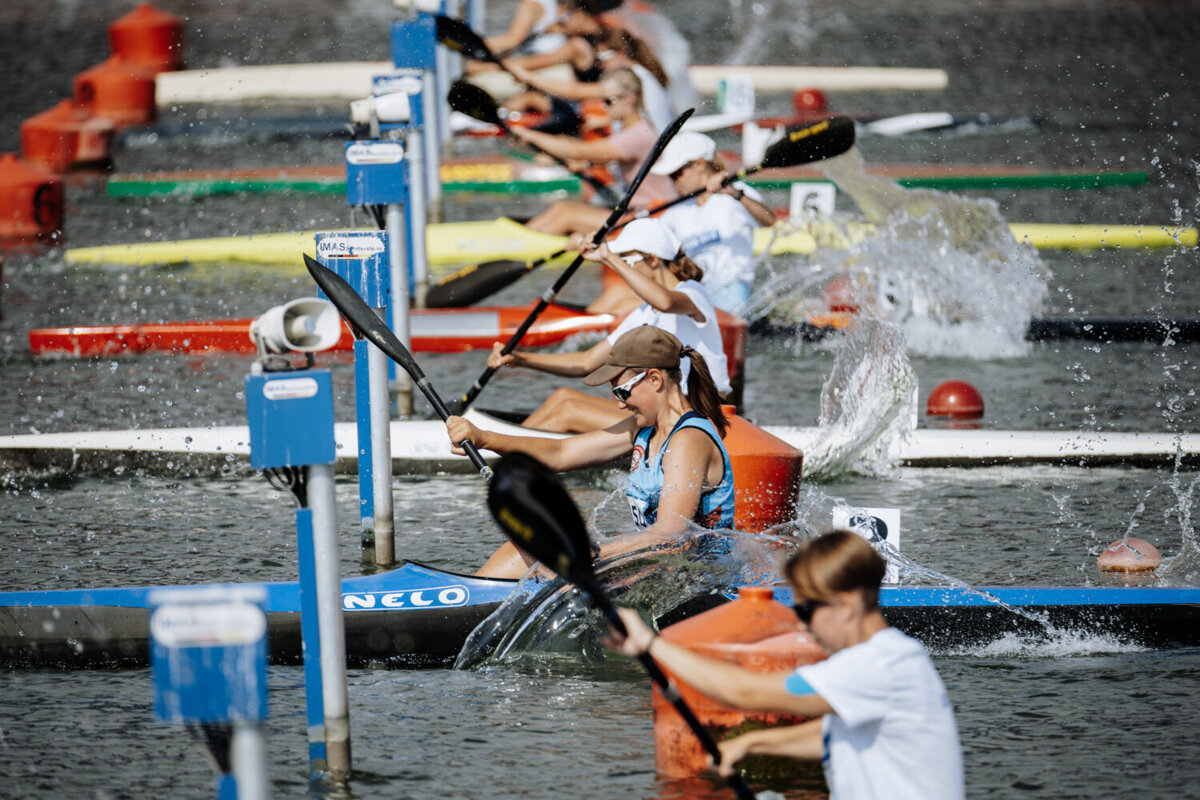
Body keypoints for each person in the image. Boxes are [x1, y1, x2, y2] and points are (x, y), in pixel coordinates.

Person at [606, 530, 965, 800]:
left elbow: (743, 691)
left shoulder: (875, 666)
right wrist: (754, 743)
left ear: (846, 604)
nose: (802, 624)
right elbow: (834, 735)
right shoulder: (902, 654)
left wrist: (652, 644)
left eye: (807, 610)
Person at [447, 325, 735, 579]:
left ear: (655, 379)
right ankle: (464, 596)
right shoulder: (642, 428)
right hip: (658, 565)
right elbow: (561, 452)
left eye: (622, 391)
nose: (619, 404)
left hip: (695, 579)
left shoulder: (687, 439)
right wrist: (484, 438)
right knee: (525, 547)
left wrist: (594, 553)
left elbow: (671, 534)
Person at [487, 218, 730, 433]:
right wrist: (522, 360)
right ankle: (510, 449)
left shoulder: (693, 293)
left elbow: (665, 301)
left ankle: (507, 456)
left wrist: (609, 257)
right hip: (665, 410)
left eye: (627, 260)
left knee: (568, 410)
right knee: (562, 397)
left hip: (698, 415)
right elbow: (586, 362)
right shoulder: (644, 312)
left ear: (653, 260)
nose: (620, 269)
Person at [512, 68, 677, 235]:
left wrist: (532, 136)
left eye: (608, 101)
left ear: (629, 100)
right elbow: (594, 157)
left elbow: (580, 151)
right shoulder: (631, 130)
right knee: (561, 207)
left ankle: (516, 243)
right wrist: (584, 164)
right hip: (638, 214)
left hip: (654, 219)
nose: (603, 106)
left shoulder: (638, 135)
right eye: (601, 100)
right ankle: (518, 237)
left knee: (567, 214)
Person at [653, 131, 776, 311]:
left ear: (699, 165)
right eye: (670, 176)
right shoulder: (675, 212)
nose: (674, 182)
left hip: (733, 290)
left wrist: (736, 194)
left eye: (677, 174)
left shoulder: (736, 193)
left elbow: (769, 220)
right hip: (696, 292)